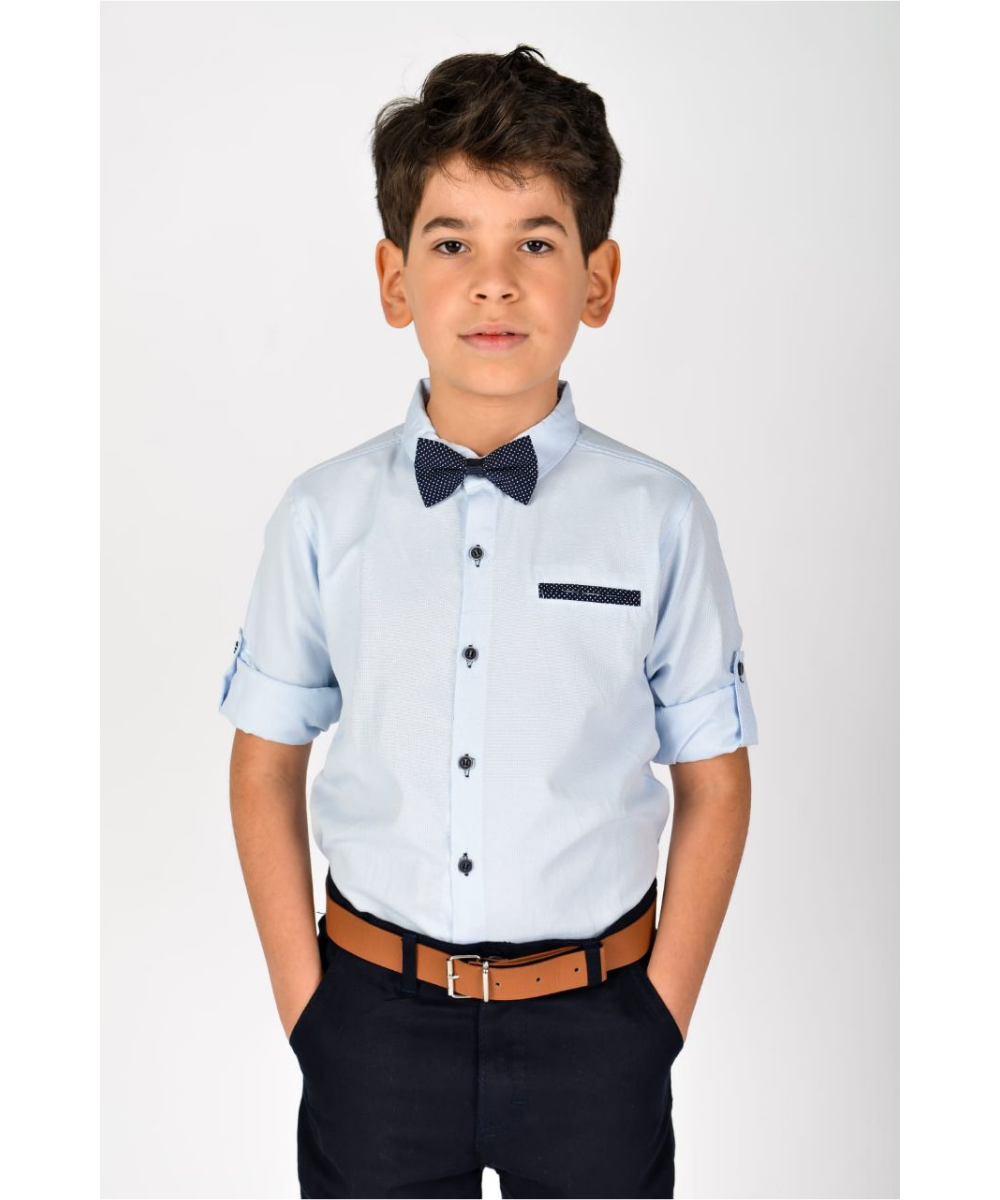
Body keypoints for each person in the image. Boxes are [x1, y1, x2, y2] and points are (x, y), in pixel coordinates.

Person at [218, 44, 758, 1200]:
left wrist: (656, 1018)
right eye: (452, 242)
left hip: (597, 1028)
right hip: (372, 1023)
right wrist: (310, 1009)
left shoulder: (659, 518)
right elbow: (264, 763)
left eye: (537, 244)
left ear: (598, 281)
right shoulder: (322, 514)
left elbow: (714, 780)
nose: (495, 283)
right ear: (393, 279)